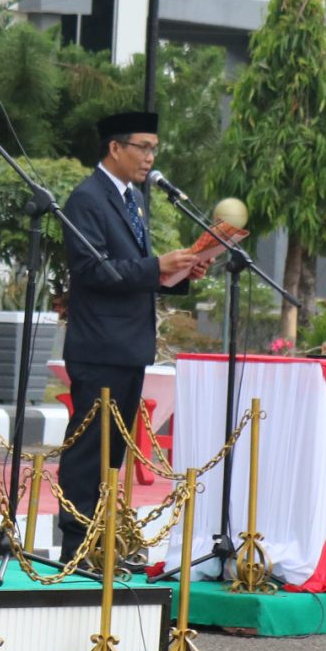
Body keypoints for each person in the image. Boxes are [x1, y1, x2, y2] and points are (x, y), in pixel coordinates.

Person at [57, 111, 208, 564]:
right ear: (115, 148)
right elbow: (93, 270)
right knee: (89, 452)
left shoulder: (132, 200)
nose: (150, 157)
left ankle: (104, 543)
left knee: (113, 454)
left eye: (154, 148)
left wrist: (180, 270)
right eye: (142, 147)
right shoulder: (87, 198)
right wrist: (156, 265)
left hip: (129, 345)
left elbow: (137, 273)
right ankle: (76, 546)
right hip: (100, 346)